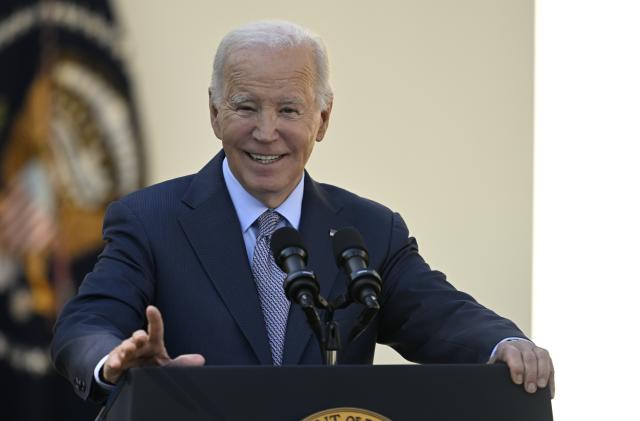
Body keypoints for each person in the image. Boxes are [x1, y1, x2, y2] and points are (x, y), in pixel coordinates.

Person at [51, 20, 554, 403]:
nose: (266, 132)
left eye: (289, 110)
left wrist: (504, 343)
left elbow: (440, 314)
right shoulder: (150, 219)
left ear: (323, 118)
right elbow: (87, 324)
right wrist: (113, 361)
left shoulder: (369, 231)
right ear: (214, 112)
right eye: (246, 107)